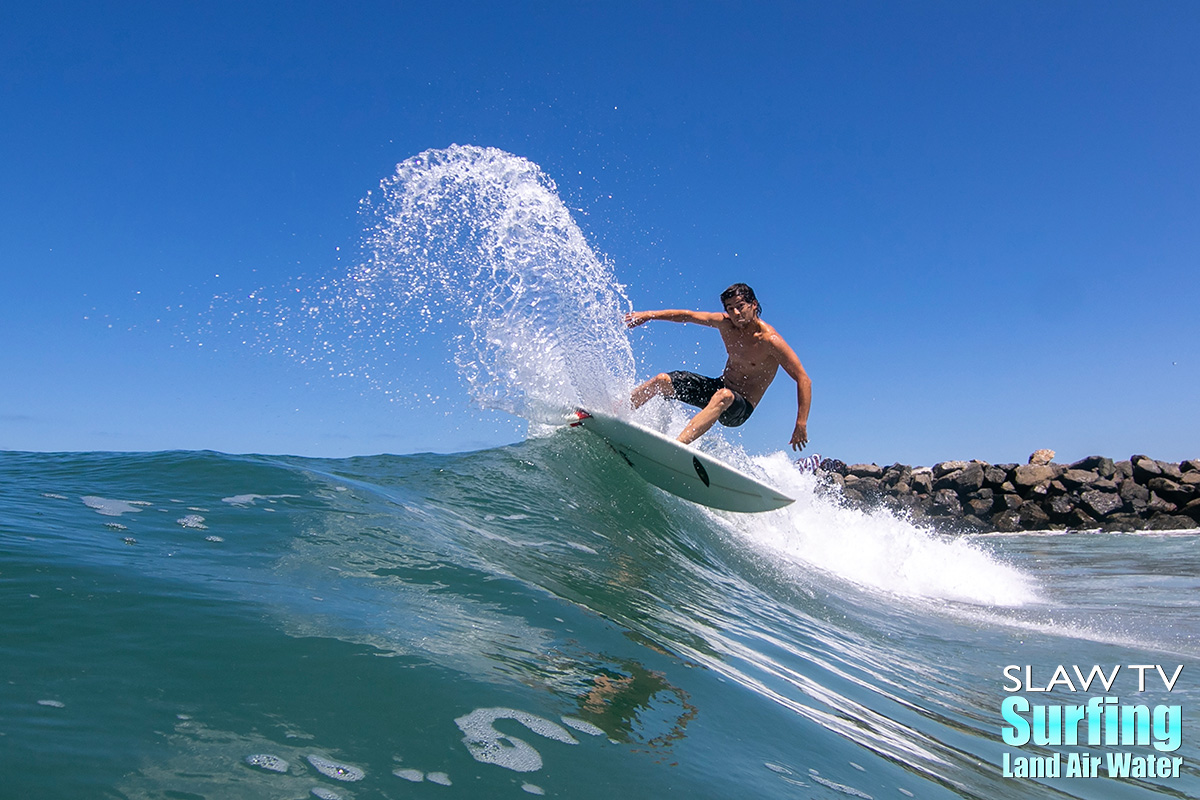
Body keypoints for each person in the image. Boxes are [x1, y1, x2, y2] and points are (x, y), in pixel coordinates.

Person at [625, 283, 812, 450]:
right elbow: (688, 316)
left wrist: (801, 423)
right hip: (719, 389)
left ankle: (676, 448)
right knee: (662, 381)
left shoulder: (770, 341)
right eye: (730, 309)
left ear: (753, 304)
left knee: (724, 396)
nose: (736, 313)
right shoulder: (726, 325)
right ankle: (617, 412)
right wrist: (649, 315)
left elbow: (803, 379)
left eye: (740, 307)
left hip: (740, 408)